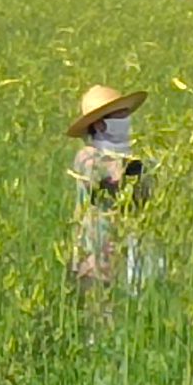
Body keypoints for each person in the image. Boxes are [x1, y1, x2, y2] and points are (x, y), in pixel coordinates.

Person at [66, 83, 154, 291]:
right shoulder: (88, 155)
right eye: (118, 116)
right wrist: (133, 169)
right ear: (99, 125)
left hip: (127, 261)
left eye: (126, 114)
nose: (126, 121)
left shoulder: (133, 153)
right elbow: (105, 173)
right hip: (94, 262)